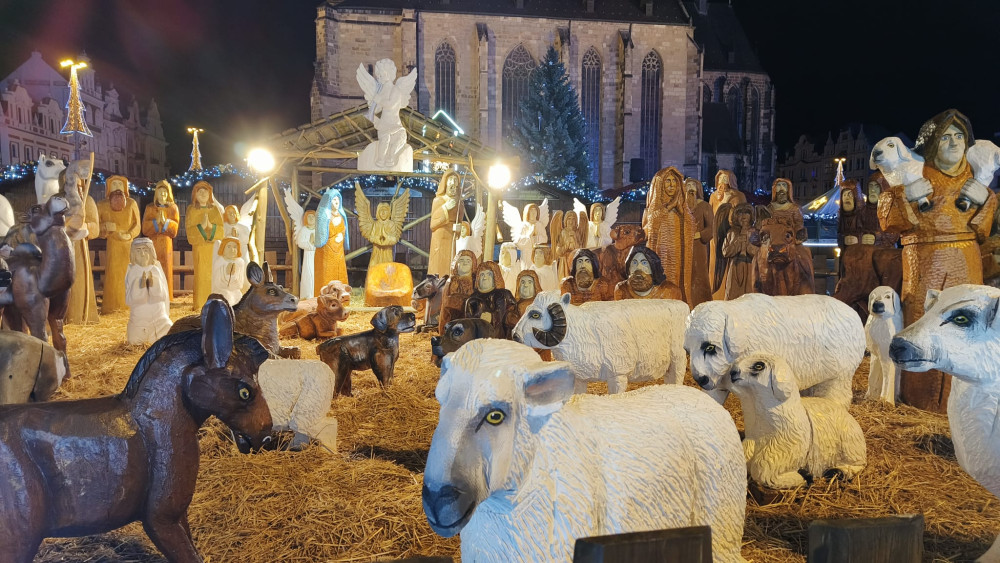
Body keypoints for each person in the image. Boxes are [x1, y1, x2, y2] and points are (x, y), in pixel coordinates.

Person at [878, 109, 998, 412]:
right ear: (932, 143)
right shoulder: (916, 173)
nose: (954, 142)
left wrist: (986, 199)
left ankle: (963, 400)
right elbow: (888, 220)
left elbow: (983, 229)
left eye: (959, 136)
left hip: (965, 257)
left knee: (966, 321)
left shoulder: (975, 178)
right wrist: (905, 194)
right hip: (924, 258)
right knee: (923, 318)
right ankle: (920, 399)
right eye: (945, 137)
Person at [643, 166, 695, 302]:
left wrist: (681, 210)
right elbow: (651, 223)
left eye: (674, 181)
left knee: (678, 277)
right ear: (660, 184)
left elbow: (691, 225)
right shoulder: (655, 206)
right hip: (661, 251)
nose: (671, 185)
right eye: (667, 181)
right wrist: (670, 206)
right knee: (663, 277)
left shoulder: (682, 206)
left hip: (678, 252)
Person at [97, 175, 141, 314]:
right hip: (113, 245)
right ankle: (112, 306)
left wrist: (130, 234)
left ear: (125, 188)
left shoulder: (132, 204)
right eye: (114, 184)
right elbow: (96, 226)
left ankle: (128, 305)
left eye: (120, 184)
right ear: (108, 188)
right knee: (113, 276)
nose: (117, 188)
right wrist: (105, 227)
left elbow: (137, 224)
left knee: (129, 274)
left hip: (128, 246)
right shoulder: (102, 205)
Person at [185, 181, 225, 310]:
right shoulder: (191, 209)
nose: (203, 194)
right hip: (200, 248)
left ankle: (214, 303)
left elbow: (221, 230)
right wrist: (201, 227)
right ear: (195, 195)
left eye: (205, 191)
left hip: (213, 249)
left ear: (210, 194)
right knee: (201, 276)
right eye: (200, 192)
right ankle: (200, 304)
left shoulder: (214, 210)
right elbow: (189, 231)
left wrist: (211, 227)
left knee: (213, 275)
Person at [124, 238, 172, 345]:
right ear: (133, 254)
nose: (142, 254)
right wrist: (139, 286)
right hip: (139, 320)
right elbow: (129, 300)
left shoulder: (155, 270)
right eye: (138, 251)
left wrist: (153, 284)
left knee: (167, 331)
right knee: (134, 339)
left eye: (145, 250)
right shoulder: (133, 272)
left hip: (159, 319)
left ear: (151, 253)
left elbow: (162, 296)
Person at [709, 169, 747, 299]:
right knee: (714, 264)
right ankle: (714, 290)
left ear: (731, 181)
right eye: (720, 179)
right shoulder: (713, 196)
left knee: (729, 264)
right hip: (715, 235)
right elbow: (710, 215)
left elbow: (743, 214)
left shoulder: (738, 196)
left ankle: (727, 291)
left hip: (731, 234)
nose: (722, 182)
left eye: (725, 179)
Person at [141, 180, 180, 300]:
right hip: (153, 244)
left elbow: (174, 230)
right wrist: (156, 222)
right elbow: (145, 229)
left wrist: (166, 222)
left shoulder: (173, 208)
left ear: (169, 194)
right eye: (160, 191)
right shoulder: (150, 208)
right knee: (152, 269)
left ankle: (166, 297)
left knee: (166, 269)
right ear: (156, 193)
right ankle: (152, 296)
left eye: (165, 192)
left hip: (166, 244)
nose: (162, 194)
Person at [463, 261, 519, 339]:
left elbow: (513, 312)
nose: (485, 278)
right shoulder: (472, 299)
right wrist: (478, 317)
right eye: (482, 275)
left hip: (500, 337)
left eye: (489, 274)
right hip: (479, 337)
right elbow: (468, 321)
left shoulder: (504, 294)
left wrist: (493, 317)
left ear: (495, 277)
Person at [613, 244, 682, 300]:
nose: (638, 268)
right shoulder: (621, 290)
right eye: (634, 263)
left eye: (644, 263)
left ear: (653, 268)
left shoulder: (669, 291)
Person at [720, 203, 759, 300]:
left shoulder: (754, 232)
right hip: (735, 266)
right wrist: (738, 241)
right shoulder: (732, 232)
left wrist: (748, 244)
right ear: (735, 216)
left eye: (746, 213)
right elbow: (725, 252)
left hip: (750, 266)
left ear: (751, 216)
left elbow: (759, 253)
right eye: (740, 213)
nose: (743, 216)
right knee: (733, 293)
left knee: (749, 294)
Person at [685, 177, 714, 307]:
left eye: (693, 185)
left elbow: (711, 228)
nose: (691, 188)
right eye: (688, 185)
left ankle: (701, 301)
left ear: (698, 189)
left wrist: (699, 235)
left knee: (699, 273)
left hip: (698, 247)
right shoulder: (681, 207)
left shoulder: (704, 206)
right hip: (683, 246)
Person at [315, 188, 350, 293]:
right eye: (334, 199)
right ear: (329, 201)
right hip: (327, 250)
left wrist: (341, 236)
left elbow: (343, 230)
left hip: (339, 250)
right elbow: (322, 234)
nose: (336, 202)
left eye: (338, 199)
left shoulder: (341, 215)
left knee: (339, 271)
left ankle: (340, 294)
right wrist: (333, 237)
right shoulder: (324, 215)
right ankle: (327, 295)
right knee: (327, 272)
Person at [428, 171, 462, 276]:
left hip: (452, 237)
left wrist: (459, 228)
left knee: (451, 262)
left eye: (455, 181)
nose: (453, 183)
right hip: (440, 237)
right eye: (450, 180)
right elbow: (433, 225)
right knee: (438, 264)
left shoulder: (460, 203)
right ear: (445, 183)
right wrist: (445, 208)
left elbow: (460, 222)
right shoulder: (438, 201)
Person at [212, 238, 248, 306]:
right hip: (221, 291)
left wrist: (234, 274)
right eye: (229, 247)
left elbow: (240, 284)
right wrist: (227, 273)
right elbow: (217, 283)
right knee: (227, 296)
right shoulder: (219, 262)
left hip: (235, 291)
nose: (232, 250)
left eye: (235, 247)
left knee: (239, 298)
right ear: (223, 248)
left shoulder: (240, 262)